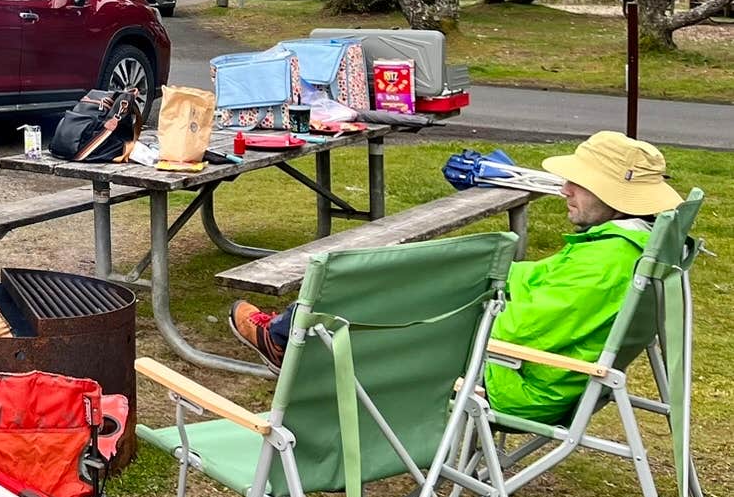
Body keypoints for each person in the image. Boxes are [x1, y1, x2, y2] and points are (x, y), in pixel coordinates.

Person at [227, 131, 686, 419]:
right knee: (410, 280)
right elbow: (539, 279)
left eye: (578, 183)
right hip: (540, 369)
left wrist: (450, 303)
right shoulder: (628, 246)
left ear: (612, 193)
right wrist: (483, 282)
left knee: (389, 299)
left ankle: (290, 341)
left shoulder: (602, 266)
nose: (564, 189)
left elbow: (513, 331)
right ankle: (293, 333)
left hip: (516, 382)